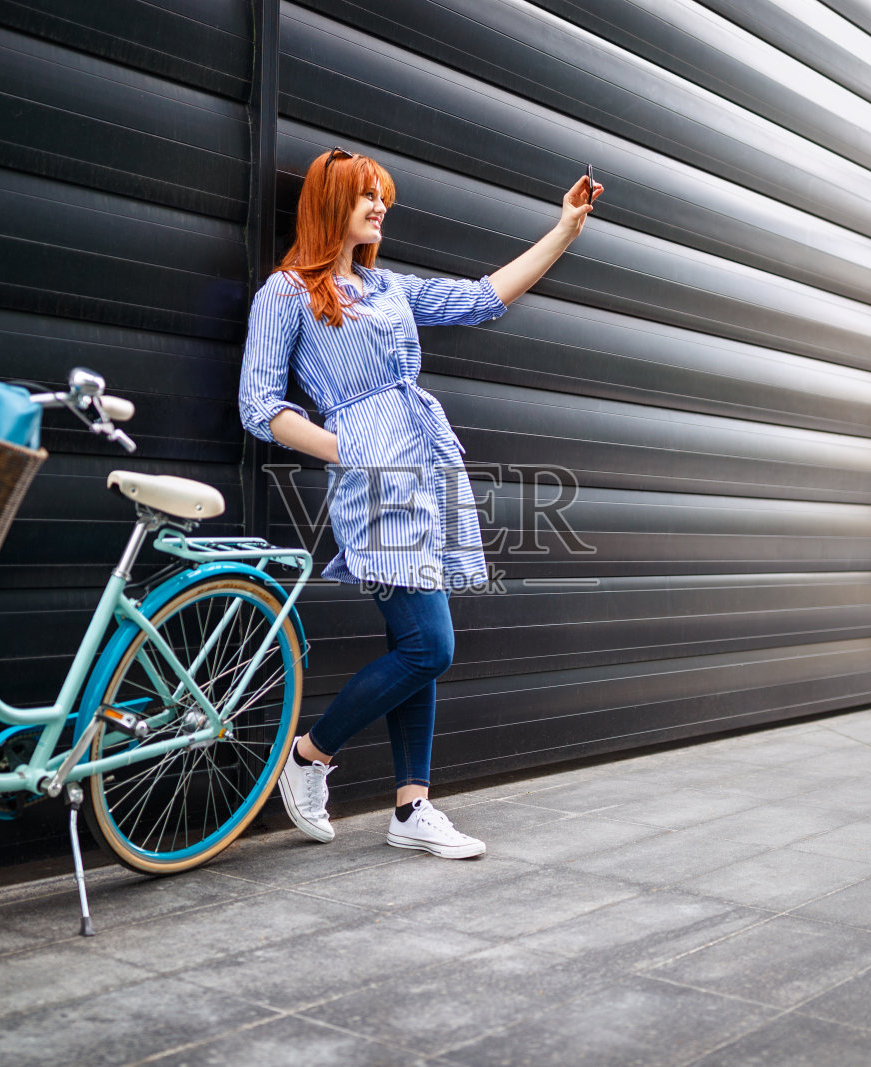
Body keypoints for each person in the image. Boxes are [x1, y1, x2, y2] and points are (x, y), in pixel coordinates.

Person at [239, 147, 601, 858]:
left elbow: (482, 297)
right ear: (328, 205)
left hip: (429, 464)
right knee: (431, 644)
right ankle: (310, 753)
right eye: (365, 196)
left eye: (383, 197)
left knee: (417, 646)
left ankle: (411, 807)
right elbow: (259, 405)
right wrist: (350, 450)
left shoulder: (388, 288)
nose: (379, 207)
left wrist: (565, 230)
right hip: (374, 476)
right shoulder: (285, 292)